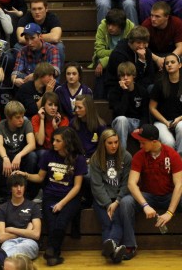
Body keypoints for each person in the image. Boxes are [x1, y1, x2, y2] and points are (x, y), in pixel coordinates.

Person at [16, 127, 87, 267]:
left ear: (67, 142)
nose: (53, 143)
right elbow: (40, 177)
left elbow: (77, 187)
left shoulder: (79, 159)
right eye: (54, 140)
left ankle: (51, 250)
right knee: (52, 224)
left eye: (58, 141)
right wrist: (25, 175)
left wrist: (61, 203)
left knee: (61, 223)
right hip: (50, 196)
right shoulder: (48, 155)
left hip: (70, 198)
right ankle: (53, 255)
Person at [118, 124, 182, 260]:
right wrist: (145, 205)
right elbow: (131, 183)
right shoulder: (139, 156)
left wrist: (170, 212)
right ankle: (130, 246)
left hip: (169, 196)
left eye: (143, 142)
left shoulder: (172, 154)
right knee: (126, 202)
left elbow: (179, 185)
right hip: (148, 196)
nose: (140, 145)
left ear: (154, 141)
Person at [90, 128, 132, 264]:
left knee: (117, 221)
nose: (114, 146)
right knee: (107, 223)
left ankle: (110, 249)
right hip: (102, 199)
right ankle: (114, 253)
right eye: (110, 143)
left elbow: (127, 183)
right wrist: (108, 204)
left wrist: (117, 201)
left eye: (116, 142)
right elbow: (97, 185)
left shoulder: (126, 156)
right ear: (103, 144)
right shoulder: (96, 158)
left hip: (119, 198)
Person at [0, 174, 41, 268]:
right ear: (10, 188)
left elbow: (36, 234)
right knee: (8, 249)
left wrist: (11, 229)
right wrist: (27, 231)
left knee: (19, 248)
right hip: (9, 242)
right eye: (15, 186)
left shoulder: (33, 206)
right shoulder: (3, 208)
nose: (19, 189)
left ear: (24, 187)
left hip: (29, 242)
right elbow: (1, 237)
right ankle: (0, 262)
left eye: (21, 186)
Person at [0, 101, 37, 199]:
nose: (21, 120)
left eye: (22, 116)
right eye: (18, 117)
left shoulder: (26, 123)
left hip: (22, 157)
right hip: (8, 157)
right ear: (9, 118)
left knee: (32, 156)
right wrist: (5, 158)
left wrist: (19, 155)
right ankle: (5, 192)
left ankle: (27, 191)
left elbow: (32, 144)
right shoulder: (0, 126)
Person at [91, 9, 135, 97]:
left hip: (124, 60)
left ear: (121, 26)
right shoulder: (102, 26)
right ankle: (99, 99)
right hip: (103, 60)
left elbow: (128, 52)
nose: (110, 28)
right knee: (100, 70)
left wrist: (106, 60)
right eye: (109, 24)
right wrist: (115, 55)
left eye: (114, 25)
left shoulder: (130, 28)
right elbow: (99, 52)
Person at [15, 0, 64, 70]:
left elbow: (55, 37)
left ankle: (56, 75)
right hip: (29, 46)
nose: (37, 12)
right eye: (34, 9)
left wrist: (36, 39)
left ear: (46, 9)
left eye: (40, 8)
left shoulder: (52, 18)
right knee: (17, 47)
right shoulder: (25, 19)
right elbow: (21, 38)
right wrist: (36, 38)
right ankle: (22, 73)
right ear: (30, 10)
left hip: (47, 47)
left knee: (59, 47)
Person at [109, 61, 150, 148]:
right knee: (122, 119)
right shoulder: (114, 92)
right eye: (122, 75)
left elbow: (145, 113)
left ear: (133, 75)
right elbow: (120, 112)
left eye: (128, 75)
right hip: (120, 123)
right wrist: (125, 91)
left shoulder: (142, 91)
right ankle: (122, 154)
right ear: (119, 77)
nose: (125, 78)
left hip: (137, 122)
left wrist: (140, 127)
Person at [105, 25, 156, 93]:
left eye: (144, 43)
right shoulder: (119, 54)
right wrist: (141, 61)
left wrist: (142, 88)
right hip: (119, 88)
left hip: (140, 86)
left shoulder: (146, 51)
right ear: (130, 42)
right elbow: (128, 77)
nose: (141, 46)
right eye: (138, 43)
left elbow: (150, 76)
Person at [149, 53, 182, 151]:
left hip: (180, 120)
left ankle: (180, 158)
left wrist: (180, 118)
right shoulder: (159, 84)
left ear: (180, 65)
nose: (169, 64)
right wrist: (166, 122)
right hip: (162, 122)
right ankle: (172, 159)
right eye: (167, 63)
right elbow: (152, 108)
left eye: (172, 62)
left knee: (181, 127)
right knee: (169, 142)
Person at [11, 23, 60, 87]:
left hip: (46, 84)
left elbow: (55, 71)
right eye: (26, 39)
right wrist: (14, 80)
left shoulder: (52, 49)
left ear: (40, 36)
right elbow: (16, 71)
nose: (29, 42)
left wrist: (36, 75)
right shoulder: (23, 51)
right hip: (29, 84)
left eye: (32, 38)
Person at [31, 91, 69, 161]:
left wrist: (55, 127)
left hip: (58, 150)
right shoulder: (36, 118)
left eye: (56, 105)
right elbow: (40, 142)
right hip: (43, 150)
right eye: (50, 105)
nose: (53, 108)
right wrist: (42, 119)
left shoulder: (63, 119)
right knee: (43, 153)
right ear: (43, 106)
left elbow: (63, 144)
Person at [71, 94, 106, 159]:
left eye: (80, 107)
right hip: (77, 158)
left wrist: (93, 159)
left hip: (94, 159)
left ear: (88, 108)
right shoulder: (73, 123)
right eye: (76, 107)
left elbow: (103, 147)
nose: (76, 110)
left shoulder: (100, 125)